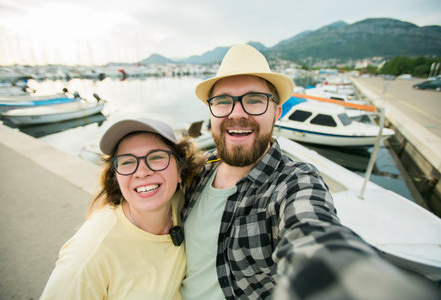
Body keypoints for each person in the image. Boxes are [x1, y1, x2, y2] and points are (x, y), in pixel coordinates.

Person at [180, 44, 437, 299]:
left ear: (277, 113)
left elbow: (312, 234)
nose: (237, 114)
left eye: (254, 101)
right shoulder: (199, 170)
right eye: (223, 102)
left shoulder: (294, 182)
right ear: (211, 113)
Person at [41, 117, 203, 299]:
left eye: (156, 157)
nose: (142, 172)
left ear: (180, 170)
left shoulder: (183, 203)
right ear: (116, 177)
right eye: (127, 162)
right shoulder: (88, 258)